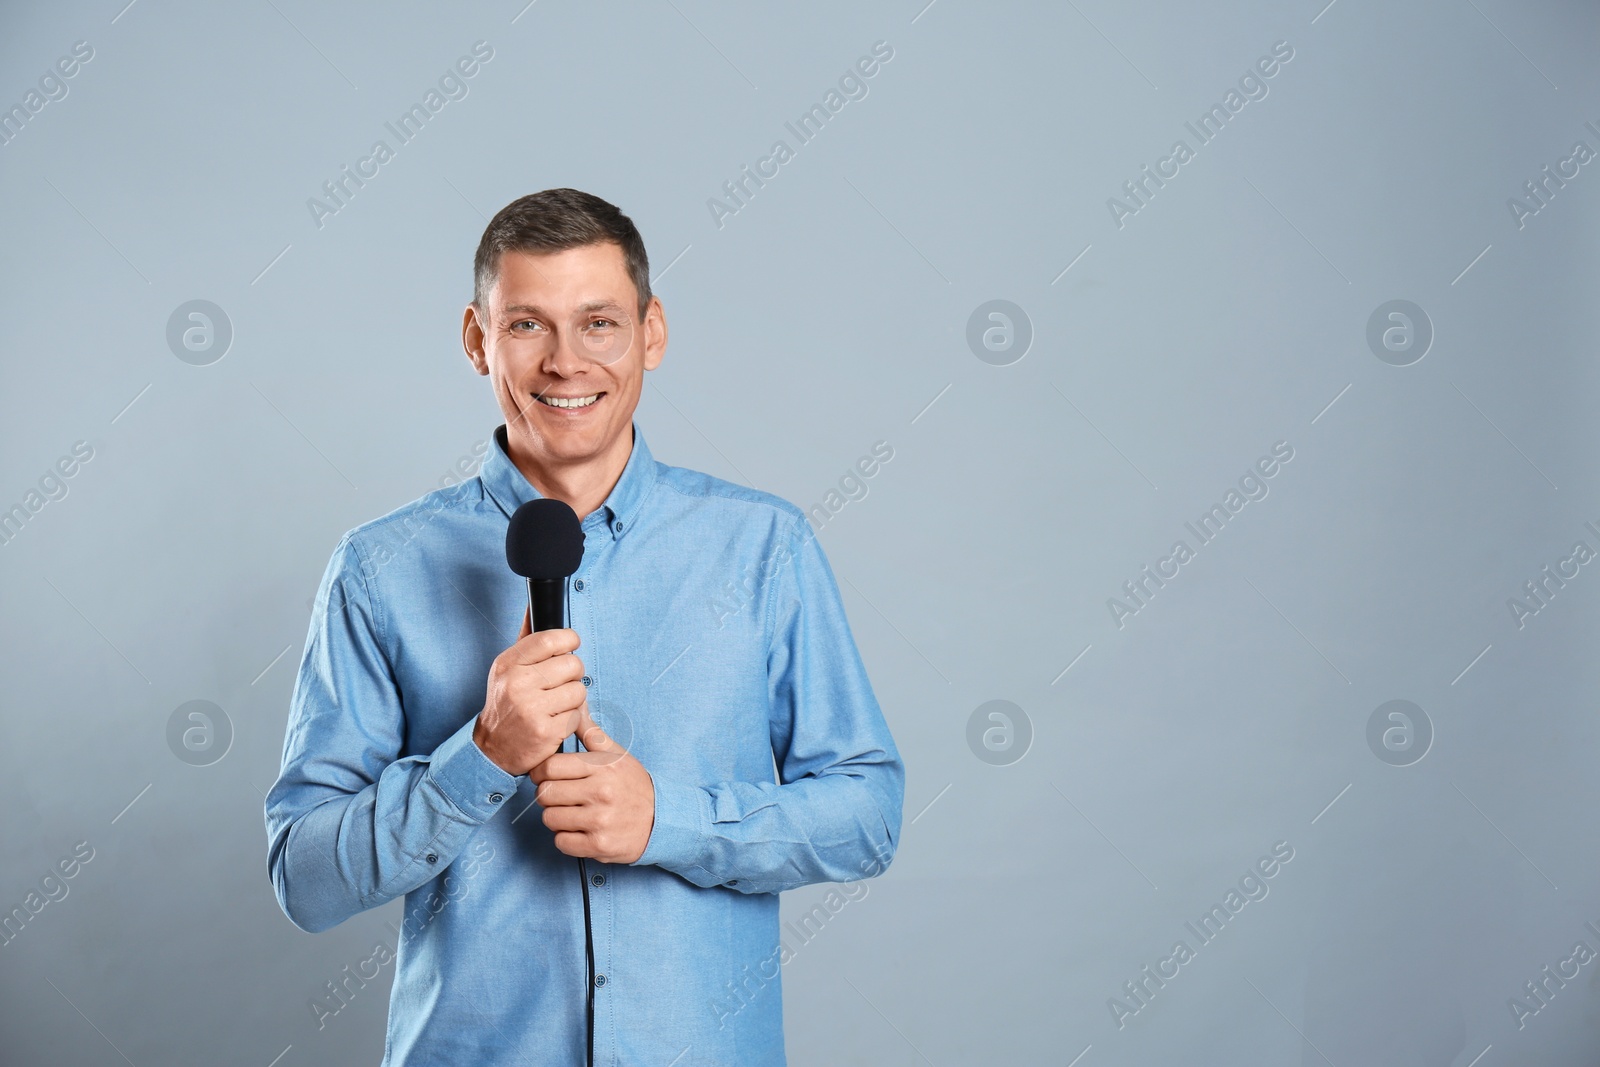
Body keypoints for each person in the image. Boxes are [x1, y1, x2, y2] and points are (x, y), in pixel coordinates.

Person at [264, 187, 905, 1066]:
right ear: (476, 339)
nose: (567, 363)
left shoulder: (763, 547)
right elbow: (305, 878)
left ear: (651, 332)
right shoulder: (381, 568)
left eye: (598, 322)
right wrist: (479, 756)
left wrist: (668, 821)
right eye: (527, 325)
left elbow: (868, 812)